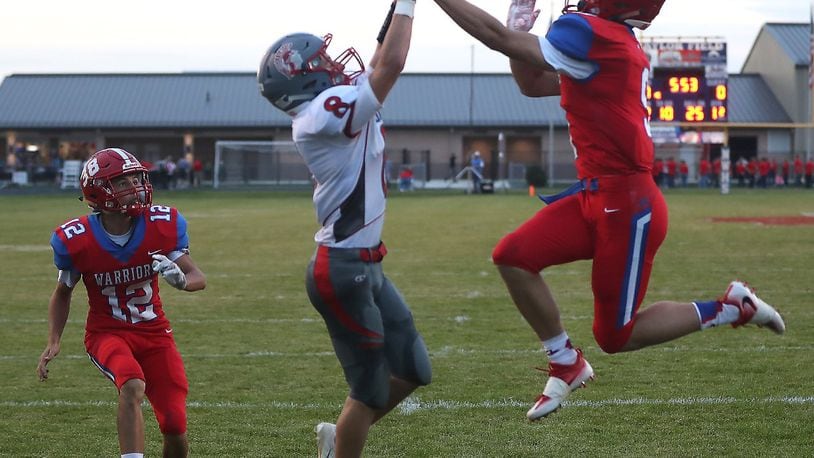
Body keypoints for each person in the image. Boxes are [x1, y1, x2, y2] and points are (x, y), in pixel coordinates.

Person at [433, 0, 786, 421]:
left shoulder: (596, 35)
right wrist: (516, 33)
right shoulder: (611, 42)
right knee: (512, 256)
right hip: (593, 196)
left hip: (628, 204)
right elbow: (531, 83)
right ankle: (565, 361)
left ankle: (731, 306)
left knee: (615, 336)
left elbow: (497, 40)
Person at [257, 1, 431, 456]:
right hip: (341, 269)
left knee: (414, 369)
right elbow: (390, 64)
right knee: (370, 387)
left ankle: (341, 437)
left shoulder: (326, 104)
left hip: (367, 263)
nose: (334, 66)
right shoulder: (318, 116)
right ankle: (342, 447)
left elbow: (377, 58)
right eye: (321, 63)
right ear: (303, 80)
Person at [37, 147, 206, 458]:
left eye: (136, 178)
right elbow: (63, 291)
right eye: (124, 181)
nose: (136, 187)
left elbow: (198, 277)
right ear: (99, 190)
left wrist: (181, 281)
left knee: (175, 424)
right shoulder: (77, 239)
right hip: (107, 333)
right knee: (131, 384)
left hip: (155, 334)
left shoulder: (161, 224)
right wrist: (54, 340)